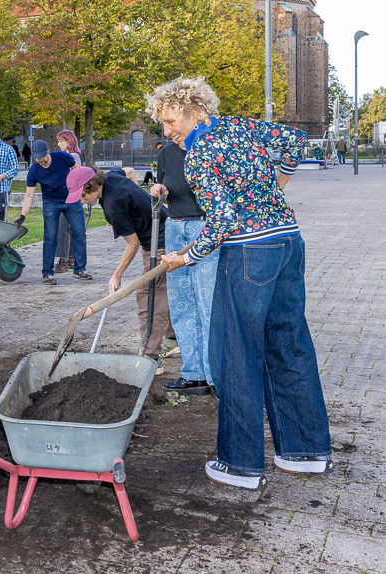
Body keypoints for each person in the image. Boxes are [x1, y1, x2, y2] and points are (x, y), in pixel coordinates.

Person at [147, 75, 332, 490]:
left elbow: (223, 223)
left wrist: (184, 257)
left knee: (236, 353)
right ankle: (305, 452)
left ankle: (242, 465)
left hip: (250, 254)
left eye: (170, 120)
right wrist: (279, 182)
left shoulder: (198, 157)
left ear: (193, 111)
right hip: (288, 242)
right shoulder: (239, 126)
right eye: (162, 122)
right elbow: (296, 138)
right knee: (289, 343)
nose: (166, 130)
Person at [75, 167, 173, 373]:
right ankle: (172, 338)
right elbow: (128, 171)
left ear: (91, 186)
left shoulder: (113, 205)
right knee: (166, 289)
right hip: (166, 226)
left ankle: (151, 357)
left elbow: (133, 243)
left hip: (158, 242)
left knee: (149, 296)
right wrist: (139, 201)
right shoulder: (110, 176)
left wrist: (117, 274)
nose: (83, 201)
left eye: (83, 196)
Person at [151, 141, 218, 394]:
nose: (169, 131)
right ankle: (193, 373)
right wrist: (159, 189)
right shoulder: (166, 153)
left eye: (172, 123)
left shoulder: (208, 148)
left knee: (207, 304)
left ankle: (215, 376)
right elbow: (164, 185)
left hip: (204, 229)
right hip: (175, 227)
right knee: (181, 304)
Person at [16, 139, 90, 284]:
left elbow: (78, 172)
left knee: (79, 232)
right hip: (51, 203)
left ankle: (80, 269)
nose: (40, 160)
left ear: (48, 151)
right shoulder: (34, 170)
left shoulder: (63, 157)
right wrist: (23, 215)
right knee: (50, 237)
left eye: (42, 156)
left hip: (71, 200)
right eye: (37, 157)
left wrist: (80, 192)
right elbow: (29, 195)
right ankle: (47, 273)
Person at [53, 130, 83, 273]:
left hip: (68, 196)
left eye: (61, 141)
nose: (58, 144)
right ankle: (71, 258)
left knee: (62, 228)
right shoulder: (73, 156)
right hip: (70, 196)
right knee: (69, 228)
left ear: (68, 142)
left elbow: (73, 177)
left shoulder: (72, 156)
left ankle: (63, 260)